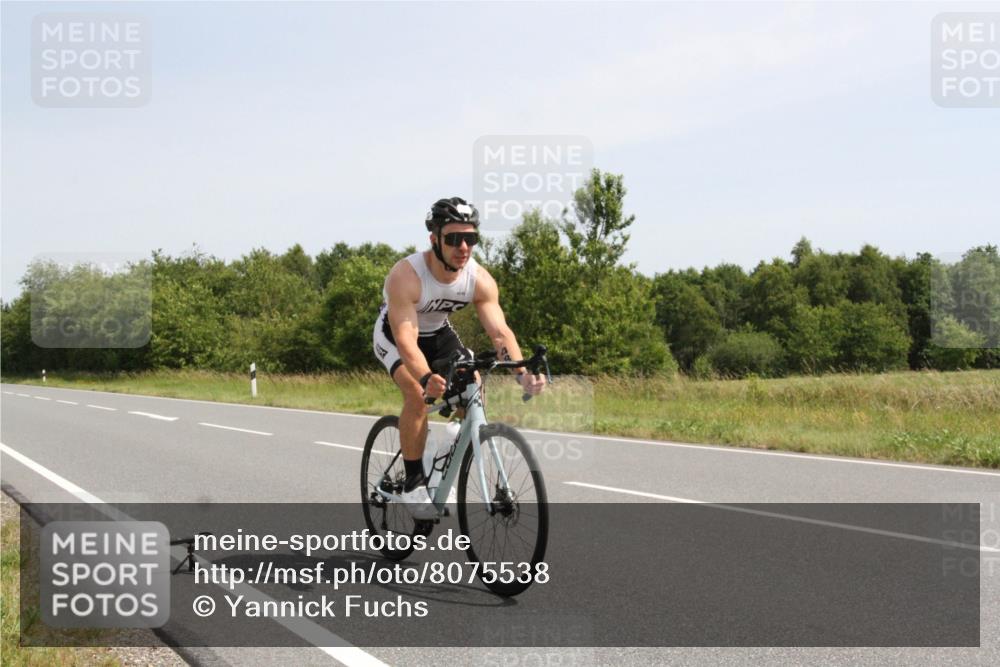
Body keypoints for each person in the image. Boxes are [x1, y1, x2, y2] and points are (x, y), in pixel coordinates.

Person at [372, 197, 546, 518]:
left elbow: (499, 332)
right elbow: (407, 340)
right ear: (434, 239)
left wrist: (521, 373)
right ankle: (412, 483)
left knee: (474, 386)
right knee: (416, 393)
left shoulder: (478, 278)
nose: (463, 246)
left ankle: (440, 457)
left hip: (438, 334)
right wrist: (426, 378)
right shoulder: (407, 275)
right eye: (453, 238)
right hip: (396, 335)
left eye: (471, 238)